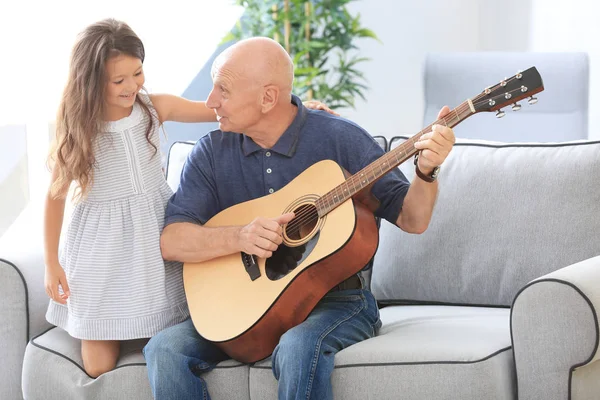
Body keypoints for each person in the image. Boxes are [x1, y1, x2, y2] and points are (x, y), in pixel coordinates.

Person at [143, 37, 455, 400]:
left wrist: (427, 171)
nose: (210, 101)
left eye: (223, 90)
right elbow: (172, 240)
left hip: (336, 300)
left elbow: (413, 219)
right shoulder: (211, 152)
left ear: (268, 98)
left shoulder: (339, 138)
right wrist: (239, 237)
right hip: (246, 306)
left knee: (296, 348)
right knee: (164, 349)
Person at [43, 19, 336, 379]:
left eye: (137, 73)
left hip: (151, 236)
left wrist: (296, 107)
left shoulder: (154, 108)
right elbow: (55, 197)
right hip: (100, 249)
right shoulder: (79, 129)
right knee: (98, 365)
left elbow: (225, 110)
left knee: (162, 342)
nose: (133, 86)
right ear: (90, 82)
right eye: (119, 81)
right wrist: (51, 263)